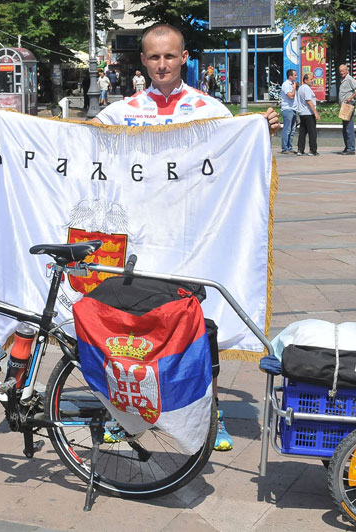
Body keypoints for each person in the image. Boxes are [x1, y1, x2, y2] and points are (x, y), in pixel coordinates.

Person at [92, 23, 280, 451]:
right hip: (141, 244)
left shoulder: (209, 109)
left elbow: (236, 156)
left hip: (195, 241)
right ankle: (123, 413)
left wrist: (260, 129)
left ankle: (210, 414)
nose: (162, 64)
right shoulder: (120, 113)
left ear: (184, 57)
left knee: (200, 330)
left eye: (170, 56)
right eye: (154, 57)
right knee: (132, 329)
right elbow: (80, 145)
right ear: (142, 60)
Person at [338, 64, 356, 155]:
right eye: (340, 71)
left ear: (347, 71)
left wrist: (351, 97)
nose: (341, 72)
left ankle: (351, 148)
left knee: (349, 127)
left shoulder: (349, 79)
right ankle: (347, 147)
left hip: (349, 105)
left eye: (343, 71)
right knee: (345, 128)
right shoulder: (343, 80)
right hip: (344, 106)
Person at [296, 73, 320, 156]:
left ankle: (300, 149)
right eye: (311, 79)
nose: (312, 81)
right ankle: (313, 150)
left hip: (302, 113)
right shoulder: (306, 88)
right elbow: (308, 101)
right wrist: (315, 113)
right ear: (305, 80)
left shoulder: (301, 88)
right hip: (308, 113)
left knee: (302, 132)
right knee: (312, 132)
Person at [280, 69, 298, 154]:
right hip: (287, 109)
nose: (296, 76)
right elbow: (291, 96)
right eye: (295, 75)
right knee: (287, 130)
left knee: (292, 130)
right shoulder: (286, 85)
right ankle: (284, 148)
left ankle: (290, 147)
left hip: (293, 109)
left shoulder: (292, 84)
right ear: (290, 76)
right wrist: (294, 88)